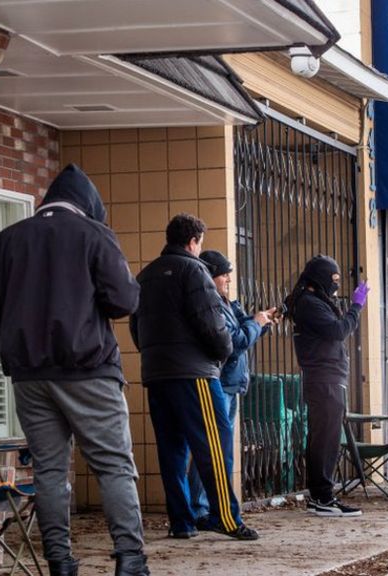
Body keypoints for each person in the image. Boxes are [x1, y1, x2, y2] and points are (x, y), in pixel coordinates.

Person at [0, 164, 149, 576]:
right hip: (89, 370)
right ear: (88, 206)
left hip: (31, 378)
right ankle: (131, 560)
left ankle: (60, 562)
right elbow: (124, 300)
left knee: (49, 470)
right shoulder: (93, 235)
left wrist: (17, 350)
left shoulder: (6, 240)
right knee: (113, 465)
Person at [130, 214, 258, 541]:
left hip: (157, 374)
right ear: (193, 241)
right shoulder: (194, 270)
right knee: (214, 445)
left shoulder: (145, 275)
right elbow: (211, 323)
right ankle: (226, 518)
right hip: (195, 373)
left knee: (172, 450)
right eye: (200, 242)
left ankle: (181, 522)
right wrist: (222, 351)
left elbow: (136, 327)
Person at [186, 250, 274, 526]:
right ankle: (199, 508)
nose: (228, 278)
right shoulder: (211, 304)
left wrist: (262, 323)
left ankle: (208, 506)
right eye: (224, 273)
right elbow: (234, 341)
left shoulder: (227, 302)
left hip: (232, 383)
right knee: (211, 449)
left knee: (217, 448)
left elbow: (244, 329)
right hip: (220, 383)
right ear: (212, 276)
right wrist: (255, 324)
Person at [285, 255, 369, 515]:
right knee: (325, 439)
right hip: (324, 379)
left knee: (325, 437)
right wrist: (356, 308)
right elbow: (338, 331)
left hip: (327, 378)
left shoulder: (313, 302)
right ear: (320, 279)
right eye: (333, 279)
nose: (336, 285)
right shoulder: (310, 304)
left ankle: (320, 495)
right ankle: (322, 497)